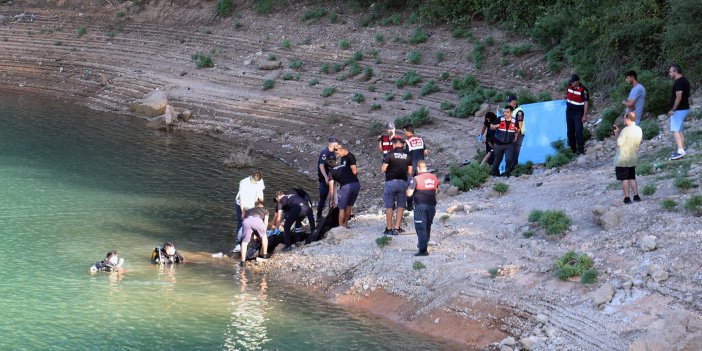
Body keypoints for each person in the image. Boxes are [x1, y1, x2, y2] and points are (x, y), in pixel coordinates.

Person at [406, 160, 439, 256]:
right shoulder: (434, 178)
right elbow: (436, 190)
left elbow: (409, 193)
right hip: (432, 206)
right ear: (426, 167)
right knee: (427, 226)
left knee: (421, 228)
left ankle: (423, 250)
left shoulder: (416, 179)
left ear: (418, 168)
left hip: (420, 206)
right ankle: (423, 244)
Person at [381, 137, 412, 235]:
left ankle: (389, 229)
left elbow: (383, 169)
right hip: (402, 182)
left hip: (390, 182)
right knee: (401, 206)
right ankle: (397, 228)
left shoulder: (389, 154)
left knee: (389, 206)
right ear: (402, 145)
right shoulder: (408, 155)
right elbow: (410, 171)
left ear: (393, 144)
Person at [613, 112, 643, 204]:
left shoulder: (625, 130)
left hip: (623, 158)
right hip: (633, 157)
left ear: (628, 119)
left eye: (625, 119)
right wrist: (618, 133)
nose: (624, 120)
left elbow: (619, 143)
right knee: (632, 177)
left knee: (624, 179)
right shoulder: (639, 129)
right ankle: (636, 196)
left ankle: (627, 198)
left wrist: (617, 133)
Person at [667, 64, 691, 160]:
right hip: (683, 108)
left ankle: (680, 151)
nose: (669, 74)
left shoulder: (679, 82)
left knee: (675, 130)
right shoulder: (684, 80)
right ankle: (682, 148)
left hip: (679, 109)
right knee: (679, 129)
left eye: (670, 72)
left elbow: (679, 96)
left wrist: (673, 109)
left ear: (675, 72)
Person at [327, 158, 360, 228]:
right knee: (349, 205)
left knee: (341, 208)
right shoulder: (344, 166)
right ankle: (346, 225)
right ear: (336, 162)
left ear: (328, 167)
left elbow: (331, 189)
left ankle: (341, 227)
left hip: (346, 187)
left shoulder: (331, 172)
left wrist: (332, 200)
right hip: (356, 184)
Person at [403, 124, 428, 211]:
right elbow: (426, 152)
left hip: (411, 166)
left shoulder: (407, 142)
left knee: (410, 186)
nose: (404, 133)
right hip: (421, 167)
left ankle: (410, 206)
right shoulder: (420, 140)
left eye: (405, 131)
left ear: (409, 132)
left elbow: (405, 155)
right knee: (421, 185)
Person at [490, 105, 518, 177]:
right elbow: (491, 126)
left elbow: (518, 130)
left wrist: (516, 136)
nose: (505, 113)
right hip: (498, 144)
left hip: (509, 144)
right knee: (497, 160)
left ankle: (506, 174)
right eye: (505, 111)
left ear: (511, 113)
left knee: (509, 160)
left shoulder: (515, 121)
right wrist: (496, 126)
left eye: (507, 112)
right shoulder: (500, 119)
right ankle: (493, 174)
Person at [239, 200, 269, 266]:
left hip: (246, 221)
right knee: (264, 236)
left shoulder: (250, 210)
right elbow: (265, 223)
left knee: (244, 242)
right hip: (257, 220)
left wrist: (254, 235)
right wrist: (264, 232)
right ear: (262, 205)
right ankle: (264, 255)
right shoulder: (265, 210)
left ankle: (242, 262)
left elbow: (248, 222)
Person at [565, 74, 590, 155]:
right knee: (570, 131)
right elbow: (568, 94)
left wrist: (585, 115)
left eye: (573, 82)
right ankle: (573, 150)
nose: (571, 83)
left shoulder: (583, 90)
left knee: (578, 131)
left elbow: (586, 102)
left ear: (577, 81)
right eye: (571, 82)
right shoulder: (570, 85)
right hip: (569, 112)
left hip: (578, 113)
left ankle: (581, 150)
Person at [235, 170, 265, 234]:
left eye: (258, 181)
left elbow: (261, 192)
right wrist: (243, 213)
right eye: (255, 181)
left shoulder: (260, 180)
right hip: (242, 204)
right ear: (251, 177)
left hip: (252, 204)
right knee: (242, 223)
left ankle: (253, 238)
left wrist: (261, 204)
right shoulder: (244, 183)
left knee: (254, 222)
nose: (256, 183)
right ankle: (239, 242)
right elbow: (242, 198)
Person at [317, 136, 339, 221]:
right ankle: (319, 215)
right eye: (335, 145)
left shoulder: (333, 152)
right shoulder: (325, 152)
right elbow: (321, 166)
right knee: (323, 196)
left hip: (332, 177)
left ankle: (331, 214)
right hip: (324, 178)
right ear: (331, 144)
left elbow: (334, 164)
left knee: (332, 196)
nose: (336, 146)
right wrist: (326, 177)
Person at [508, 96, 526, 170]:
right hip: (514, 133)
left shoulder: (519, 112)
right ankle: (513, 168)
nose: (508, 103)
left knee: (515, 151)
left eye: (510, 102)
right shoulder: (514, 110)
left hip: (519, 133)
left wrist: (516, 135)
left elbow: (520, 124)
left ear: (514, 102)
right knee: (512, 150)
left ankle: (514, 168)